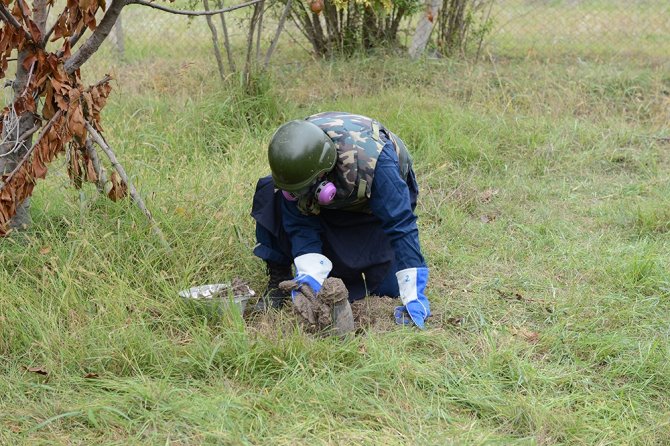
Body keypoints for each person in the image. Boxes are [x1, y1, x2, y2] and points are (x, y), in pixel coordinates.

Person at [250, 111, 431, 328]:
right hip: (328, 204)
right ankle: (278, 277)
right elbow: (299, 223)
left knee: (388, 287)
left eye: (302, 189)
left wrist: (413, 296)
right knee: (270, 191)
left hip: (370, 210)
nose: (295, 196)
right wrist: (309, 279)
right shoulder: (294, 169)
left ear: (323, 175)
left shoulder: (377, 163)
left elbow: (401, 223)